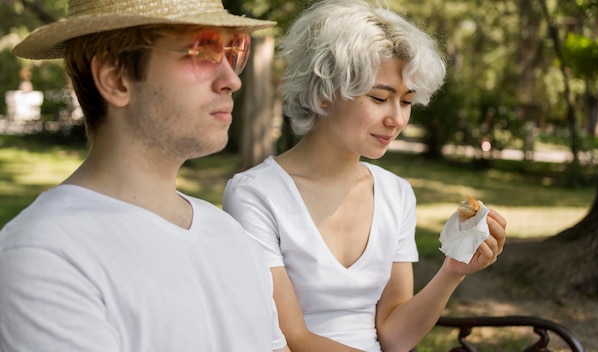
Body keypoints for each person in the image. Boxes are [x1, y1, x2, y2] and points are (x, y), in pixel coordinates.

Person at [0, 1, 290, 351]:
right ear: (115, 78)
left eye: (233, 51)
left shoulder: (233, 237)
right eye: (204, 52)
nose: (232, 80)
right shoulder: (45, 255)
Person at [222, 1, 507, 351]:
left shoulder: (396, 194)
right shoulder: (255, 194)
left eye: (405, 102)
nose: (397, 119)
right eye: (379, 97)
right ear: (325, 94)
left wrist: (452, 271)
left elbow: (393, 335)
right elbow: (293, 339)